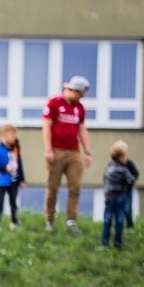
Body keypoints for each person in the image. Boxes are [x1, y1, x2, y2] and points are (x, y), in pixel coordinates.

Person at [42, 75, 92, 234]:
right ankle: (49, 220)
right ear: (71, 90)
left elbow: (82, 129)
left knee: (75, 187)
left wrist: (87, 152)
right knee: (53, 188)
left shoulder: (80, 108)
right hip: (56, 151)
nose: (80, 97)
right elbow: (47, 126)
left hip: (73, 152)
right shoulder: (53, 103)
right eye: (79, 94)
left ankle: (71, 221)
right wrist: (48, 149)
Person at [0, 123, 26, 232]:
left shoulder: (15, 150)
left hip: (13, 180)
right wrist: (5, 168)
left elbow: (19, 165)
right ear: (4, 135)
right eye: (11, 135)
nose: (14, 137)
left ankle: (14, 221)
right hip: (1, 181)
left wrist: (21, 179)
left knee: (13, 202)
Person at [102, 141, 137, 250]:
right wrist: (126, 185)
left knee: (107, 219)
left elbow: (105, 179)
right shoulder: (124, 169)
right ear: (121, 157)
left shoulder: (108, 168)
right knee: (120, 220)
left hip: (109, 197)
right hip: (120, 197)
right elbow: (131, 179)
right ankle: (118, 243)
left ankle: (104, 243)